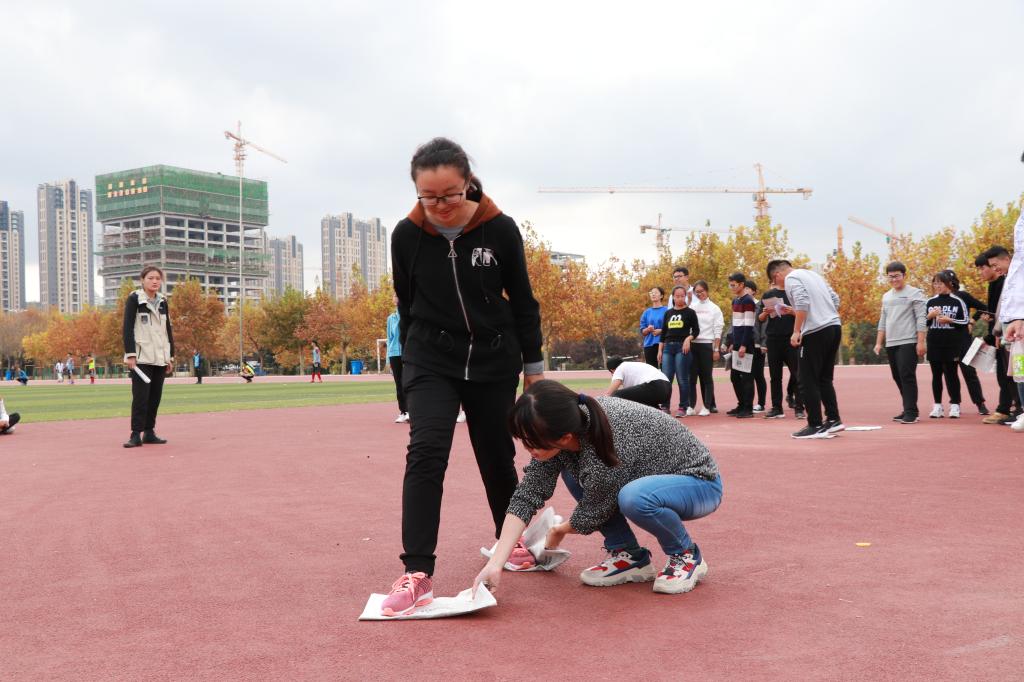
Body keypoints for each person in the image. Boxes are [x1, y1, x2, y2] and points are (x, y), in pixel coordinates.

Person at [379, 137, 544, 617]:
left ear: (467, 183)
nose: (440, 206)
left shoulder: (500, 229)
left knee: (496, 454)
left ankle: (510, 542)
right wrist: (412, 363)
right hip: (431, 359)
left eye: (450, 194)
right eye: (429, 197)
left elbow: (524, 302)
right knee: (426, 452)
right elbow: (407, 303)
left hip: (494, 360)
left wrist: (533, 370)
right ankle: (416, 572)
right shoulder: (406, 236)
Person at [473, 380, 722, 597]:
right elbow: (526, 496)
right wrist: (496, 563)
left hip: (699, 484)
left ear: (564, 437)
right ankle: (629, 555)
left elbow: (595, 509)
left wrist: (559, 531)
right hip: (650, 481)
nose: (529, 450)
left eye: (532, 443)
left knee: (634, 498)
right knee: (576, 473)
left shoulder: (608, 439)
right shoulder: (565, 428)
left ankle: (685, 555)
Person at [767, 259, 845, 439]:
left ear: (777, 275)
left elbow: (802, 302)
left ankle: (815, 424)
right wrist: (822, 314)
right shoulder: (814, 275)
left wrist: (796, 331)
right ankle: (833, 419)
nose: (777, 285)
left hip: (816, 331)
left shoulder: (791, 278)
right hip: (833, 326)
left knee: (806, 379)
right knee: (824, 378)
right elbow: (834, 299)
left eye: (774, 281)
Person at [122, 265, 174, 448]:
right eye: (150, 278)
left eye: (158, 278)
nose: (154, 281)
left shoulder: (163, 301)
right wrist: (130, 354)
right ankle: (135, 434)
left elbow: (167, 330)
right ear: (142, 280)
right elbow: (127, 328)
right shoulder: (135, 299)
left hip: (160, 357)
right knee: (140, 398)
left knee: (155, 397)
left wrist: (170, 356)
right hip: (141, 357)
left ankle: (149, 432)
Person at [874, 261, 927, 424]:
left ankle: (912, 412)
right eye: (890, 276)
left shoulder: (915, 293)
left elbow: (921, 318)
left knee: (907, 375)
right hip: (891, 342)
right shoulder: (886, 296)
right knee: (897, 376)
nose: (894, 279)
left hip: (908, 341)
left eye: (897, 276)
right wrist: (878, 343)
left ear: (904, 275)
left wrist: (921, 342)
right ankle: (908, 408)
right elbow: (883, 320)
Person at [980, 246, 1021, 424]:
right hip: (1008, 337)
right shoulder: (1008, 279)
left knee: (1019, 373)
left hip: (1018, 335)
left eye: (995, 265)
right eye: (991, 266)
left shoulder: (1018, 278)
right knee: (1015, 373)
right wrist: (997, 332)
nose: (995, 269)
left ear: (1006, 259)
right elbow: (1002, 310)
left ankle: (1019, 410)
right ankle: (1019, 410)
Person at [925, 270, 971, 418]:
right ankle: (937, 405)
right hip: (934, 342)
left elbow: (965, 321)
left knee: (951, 374)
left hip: (951, 343)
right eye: (935, 283)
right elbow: (922, 322)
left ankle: (955, 404)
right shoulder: (930, 302)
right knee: (936, 375)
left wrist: (949, 320)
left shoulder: (957, 301)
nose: (937, 286)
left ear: (949, 284)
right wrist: (930, 316)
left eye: (940, 283)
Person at [759, 276, 804, 419]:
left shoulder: (794, 293)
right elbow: (760, 318)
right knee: (775, 376)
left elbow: (803, 314)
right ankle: (777, 408)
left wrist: (792, 311)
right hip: (773, 339)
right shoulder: (768, 295)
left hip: (791, 339)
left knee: (797, 374)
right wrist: (765, 312)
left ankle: (799, 408)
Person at [657, 285, 700, 417]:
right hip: (667, 349)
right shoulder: (668, 313)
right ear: (673, 297)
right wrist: (660, 350)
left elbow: (696, 331)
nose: (680, 298)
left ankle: (683, 407)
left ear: (685, 297)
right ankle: (665, 406)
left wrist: (688, 338)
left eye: (682, 296)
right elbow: (663, 333)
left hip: (682, 348)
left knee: (682, 378)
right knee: (666, 378)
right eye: (677, 296)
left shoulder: (690, 312)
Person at [688, 280, 723, 415]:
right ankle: (691, 406)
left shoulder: (714, 308)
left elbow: (717, 330)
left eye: (701, 291)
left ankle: (707, 406)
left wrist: (716, 349)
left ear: (707, 290)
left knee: (707, 377)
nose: (699, 294)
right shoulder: (693, 307)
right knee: (692, 377)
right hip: (693, 345)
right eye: (697, 292)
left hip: (707, 345)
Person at [726, 272, 756, 418]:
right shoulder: (735, 301)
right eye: (730, 285)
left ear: (741, 284)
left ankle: (748, 408)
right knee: (735, 377)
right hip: (737, 343)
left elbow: (749, 325)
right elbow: (735, 325)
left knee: (746, 377)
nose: (731, 287)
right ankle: (741, 404)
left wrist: (744, 345)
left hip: (746, 344)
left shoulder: (748, 300)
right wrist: (733, 342)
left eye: (733, 285)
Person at [605, 356, 671, 409]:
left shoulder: (619, 368)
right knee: (638, 399)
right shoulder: (632, 366)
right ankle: (657, 413)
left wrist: (602, 403)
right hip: (667, 389)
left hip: (654, 385)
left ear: (612, 370)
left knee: (616, 394)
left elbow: (610, 392)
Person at [746, 280, 767, 412]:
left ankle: (761, 403)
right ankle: (747, 403)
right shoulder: (741, 303)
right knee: (747, 375)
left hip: (757, 345)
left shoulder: (760, 305)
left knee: (758, 375)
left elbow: (764, 325)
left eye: (748, 288)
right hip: (745, 344)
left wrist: (764, 343)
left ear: (753, 291)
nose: (745, 290)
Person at [639, 287, 667, 367]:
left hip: (664, 344)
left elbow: (671, 328)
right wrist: (648, 329)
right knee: (651, 371)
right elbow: (642, 331)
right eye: (651, 293)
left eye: (655, 292)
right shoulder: (646, 312)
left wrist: (661, 331)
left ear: (661, 296)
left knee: (665, 370)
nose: (653, 294)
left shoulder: (667, 310)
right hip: (649, 345)